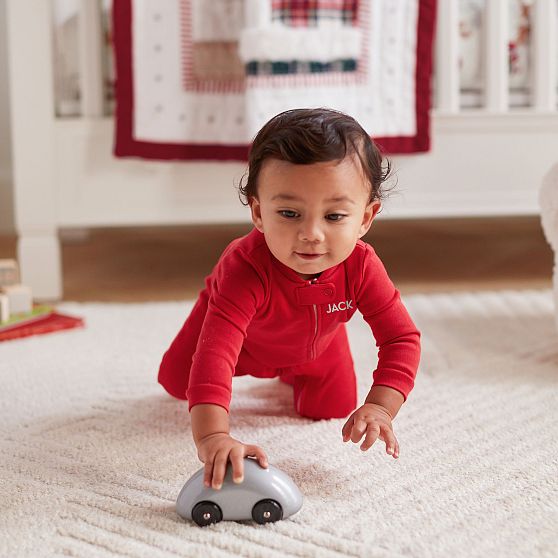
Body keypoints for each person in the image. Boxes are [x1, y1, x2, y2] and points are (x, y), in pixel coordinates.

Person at [158, 108, 421, 491]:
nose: (311, 234)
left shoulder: (362, 266)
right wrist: (213, 437)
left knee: (329, 408)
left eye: (334, 216)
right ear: (258, 211)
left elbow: (401, 338)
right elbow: (215, 358)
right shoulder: (244, 267)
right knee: (178, 382)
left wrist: (381, 406)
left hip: (315, 346)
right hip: (237, 341)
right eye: (289, 213)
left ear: (366, 218)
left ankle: (293, 371)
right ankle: (227, 333)